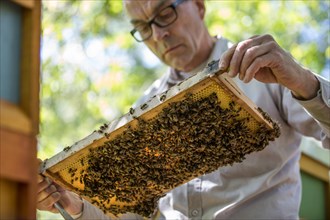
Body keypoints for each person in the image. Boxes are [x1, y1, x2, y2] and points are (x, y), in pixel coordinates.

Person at [37, 0, 330, 219]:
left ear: (199, 6)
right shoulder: (146, 106)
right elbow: (138, 213)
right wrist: (75, 204)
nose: (157, 35)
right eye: (142, 27)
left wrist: (303, 80)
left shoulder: (264, 69)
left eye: (165, 14)